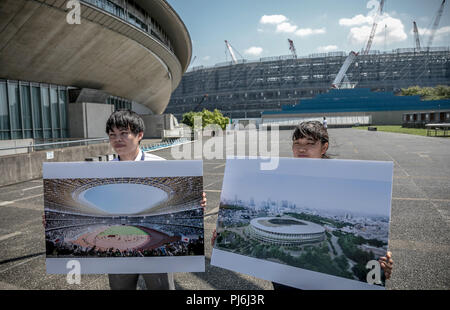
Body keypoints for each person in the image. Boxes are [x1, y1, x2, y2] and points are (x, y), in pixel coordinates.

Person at [211, 120, 393, 290]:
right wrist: (221, 242)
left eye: (310, 144)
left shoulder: (342, 179)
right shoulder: (281, 176)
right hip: (284, 280)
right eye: (297, 144)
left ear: (324, 147)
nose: (302, 149)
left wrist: (379, 265)